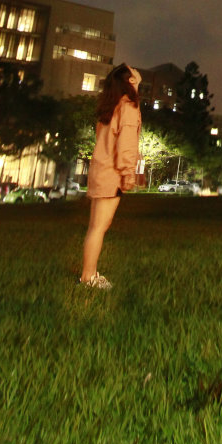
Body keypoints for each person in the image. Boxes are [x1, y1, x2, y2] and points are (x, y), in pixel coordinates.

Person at [80, 63, 142, 289]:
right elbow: (126, 145)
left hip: (100, 171)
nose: (137, 74)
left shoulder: (110, 107)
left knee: (94, 227)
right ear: (130, 82)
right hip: (111, 174)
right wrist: (128, 173)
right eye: (133, 73)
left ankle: (89, 273)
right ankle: (89, 277)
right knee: (99, 227)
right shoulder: (128, 107)